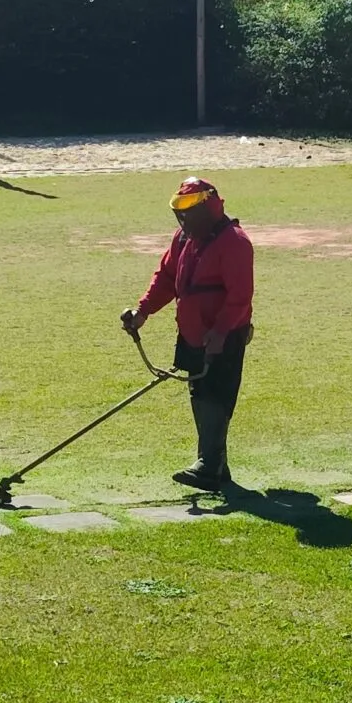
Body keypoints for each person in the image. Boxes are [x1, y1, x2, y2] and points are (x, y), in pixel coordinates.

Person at [123, 176, 255, 493]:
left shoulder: (235, 242)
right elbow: (166, 278)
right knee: (199, 393)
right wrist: (142, 312)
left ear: (207, 206)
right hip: (192, 332)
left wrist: (221, 331)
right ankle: (214, 466)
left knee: (217, 394)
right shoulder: (183, 240)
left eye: (190, 209)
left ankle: (209, 465)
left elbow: (240, 296)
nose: (184, 217)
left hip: (225, 335)